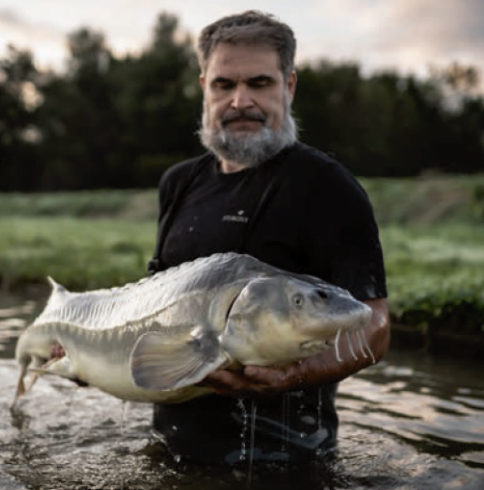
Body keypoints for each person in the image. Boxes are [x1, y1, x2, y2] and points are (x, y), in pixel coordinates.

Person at [148, 10, 390, 465]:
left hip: (284, 459)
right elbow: (159, 304)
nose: (240, 101)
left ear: (289, 86)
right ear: (204, 88)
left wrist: (292, 376)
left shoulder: (326, 186)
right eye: (224, 84)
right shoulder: (178, 183)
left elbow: (374, 329)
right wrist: (91, 356)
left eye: (259, 83)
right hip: (169, 448)